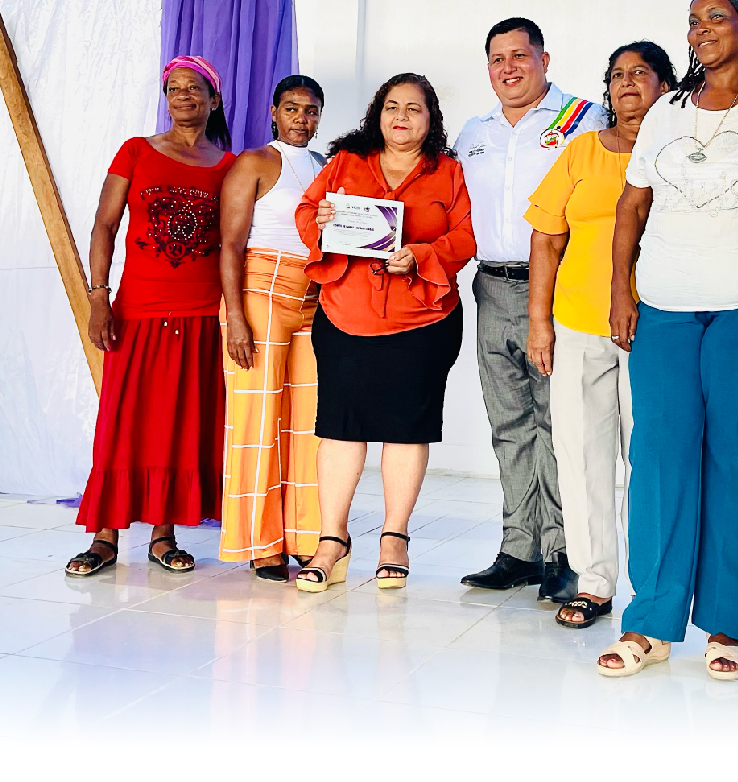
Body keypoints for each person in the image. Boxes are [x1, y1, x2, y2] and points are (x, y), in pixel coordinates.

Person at [597, 0, 738, 679]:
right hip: (665, 307)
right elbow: (631, 206)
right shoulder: (667, 112)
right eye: (693, 21)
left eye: (717, 17)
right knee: (658, 461)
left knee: (736, 465)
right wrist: (621, 290)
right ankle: (649, 623)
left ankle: (725, 626)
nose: (702, 29)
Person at [291, 73, 475, 592]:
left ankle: (395, 537)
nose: (401, 116)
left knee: (406, 428)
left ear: (431, 120)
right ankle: (332, 541)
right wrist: (322, 219)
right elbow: (306, 212)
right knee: (340, 427)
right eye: (393, 106)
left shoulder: (449, 172)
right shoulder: (346, 163)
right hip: (345, 315)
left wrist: (420, 255)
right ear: (378, 113)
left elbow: (465, 236)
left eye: (414, 108)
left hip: (422, 320)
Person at [454, 17, 606, 603]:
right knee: (509, 424)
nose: (509, 68)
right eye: (498, 59)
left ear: (545, 59)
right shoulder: (475, 132)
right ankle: (519, 548)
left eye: (520, 55)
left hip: (557, 287)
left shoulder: (582, 119)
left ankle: (564, 553)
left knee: (558, 424)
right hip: (491, 287)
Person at [526, 42, 676, 629]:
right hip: (577, 323)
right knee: (581, 456)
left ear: (666, 85)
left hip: (656, 326)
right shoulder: (583, 150)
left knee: (650, 458)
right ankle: (593, 583)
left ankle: (652, 586)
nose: (627, 83)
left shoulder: (678, 150)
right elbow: (547, 237)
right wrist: (539, 322)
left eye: (640, 72)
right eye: (617, 75)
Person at [66, 56, 236, 577]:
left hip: (201, 313)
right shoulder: (136, 151)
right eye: (173, 88)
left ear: (214, 99)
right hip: (138, 310)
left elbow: (236, 243)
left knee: (180, 424)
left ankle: (164, 535)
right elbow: (104, 225)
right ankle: (105, 536)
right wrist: (99, 297)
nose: (183, 95)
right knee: (122, 422)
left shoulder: (229, 165)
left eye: (194, 88)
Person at [218, 75, 326, 581]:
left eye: (311, 110)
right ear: (274, 112)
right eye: (292, 108)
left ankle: (305, 536)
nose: (302, 118)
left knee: (309, 423)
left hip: (313, 297)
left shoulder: (326, 166)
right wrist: (236, 317)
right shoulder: (255, 162)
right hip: (260, 290)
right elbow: (230, 244)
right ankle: (261, 544)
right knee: (258, 421)